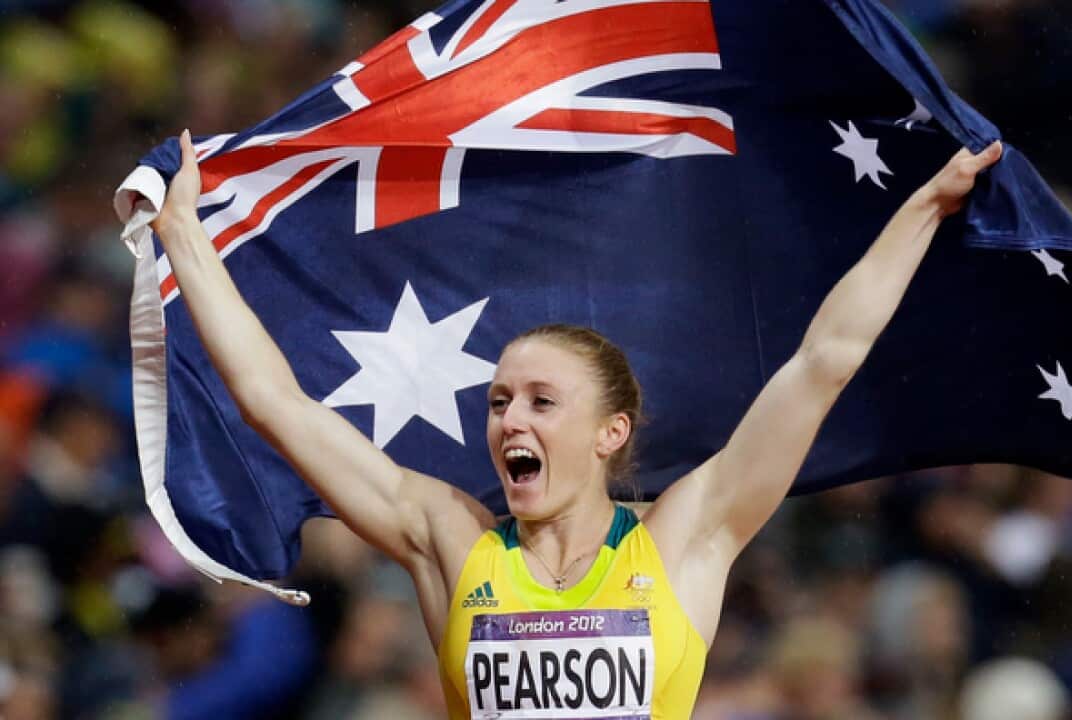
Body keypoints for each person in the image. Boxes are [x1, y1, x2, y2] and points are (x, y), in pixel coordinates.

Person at [150, 128, 1003, 718]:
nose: (508, 419)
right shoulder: (450, 538)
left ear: (611, 433)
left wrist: (923, 210)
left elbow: (824, 361)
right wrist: (183, 234)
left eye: (539, 401)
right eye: (498, 401)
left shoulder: (683, 541)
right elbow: (276, 401)